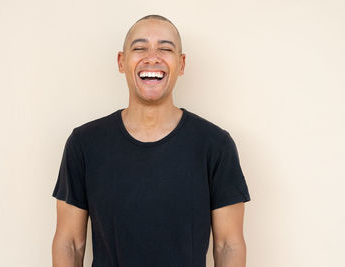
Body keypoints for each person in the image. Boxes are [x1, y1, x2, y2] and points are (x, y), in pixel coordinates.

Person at [51, 14, 251, 267]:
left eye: (165, 49)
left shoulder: (215, 145)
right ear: (122, 61)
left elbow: (228, 244)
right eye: (140, 48)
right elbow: (69, 243)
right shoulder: (84, 144)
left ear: (181, 63)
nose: (152, 56)